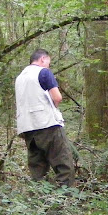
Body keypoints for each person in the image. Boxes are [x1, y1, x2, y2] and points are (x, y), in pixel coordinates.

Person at [15, 49, 75, 187]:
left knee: (37, 167)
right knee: (63, 163)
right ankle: (64, 197)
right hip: (47, 124)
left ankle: (39, 199)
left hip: (27, 127)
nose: (49, 65)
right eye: (48, 62)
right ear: (43, 59)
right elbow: (57, 97)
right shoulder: (43, 72)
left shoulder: (20, 77)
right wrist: (54, 106)